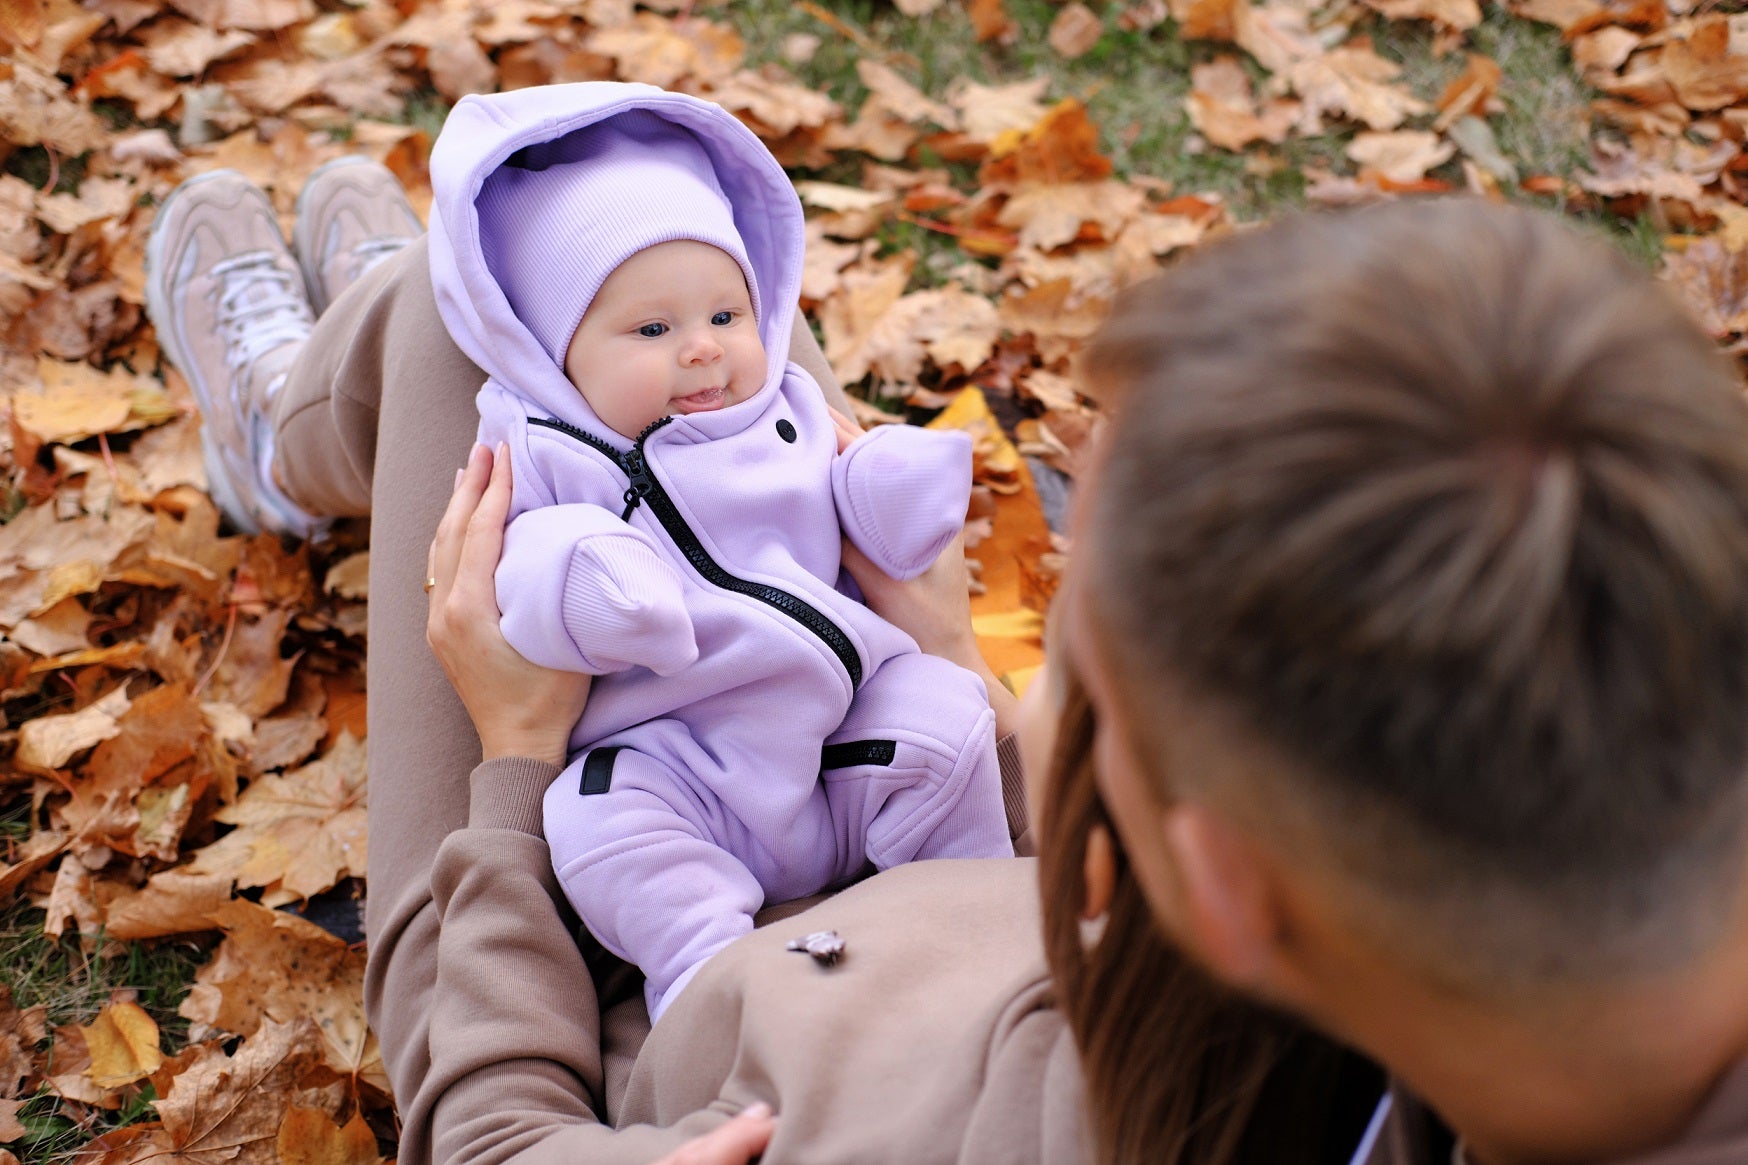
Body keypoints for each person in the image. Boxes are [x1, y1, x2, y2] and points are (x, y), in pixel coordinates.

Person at [147, 139, 1748, 1165]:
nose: (1021, 672)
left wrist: (507, 766)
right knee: (695, 325)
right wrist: (921, 637)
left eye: (1067, 656)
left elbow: (490, 1135)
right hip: (876, 760)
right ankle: (330, 379)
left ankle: (295, 426)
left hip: (654, 894)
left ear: (1224, 899)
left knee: (465, 301)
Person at [428, 85, 1013, 1020]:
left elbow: (848, 492)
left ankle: (980, 889)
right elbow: (528, 559)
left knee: (944, 714)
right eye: (652, 330)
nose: (703, 350)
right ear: (554, 355)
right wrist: (590, 579)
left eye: (728, 316)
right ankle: (703, 965)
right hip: (678, 763)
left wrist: (894, 487)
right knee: (598, 813)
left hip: (836, 742)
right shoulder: (547, 452)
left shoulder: (784, 408)